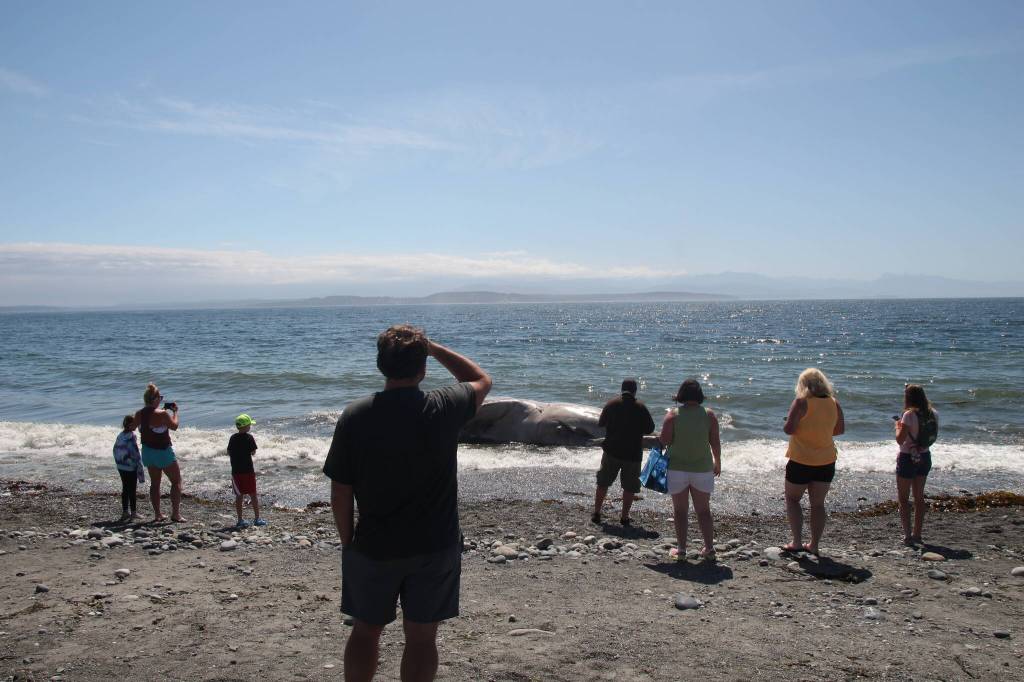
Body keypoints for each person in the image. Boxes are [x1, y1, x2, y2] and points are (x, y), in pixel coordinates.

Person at [323, 325, 491, 682]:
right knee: (421, 638)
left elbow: (341, 489)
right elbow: (480, 379)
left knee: (366, 631)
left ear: (380, 364)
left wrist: (347, 540)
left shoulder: (356, 415)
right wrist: (434, 348)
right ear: (423, 368)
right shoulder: (444, 406)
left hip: (374, 544)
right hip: (435, 544)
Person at [782, 368, 845, 555]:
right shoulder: (834, 403)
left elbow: (789, 429)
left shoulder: (801, 402)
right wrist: (821, 430)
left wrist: (793, 421)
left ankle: (797, 541)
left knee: (793, 499)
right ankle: (815, 544)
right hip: (826, 460)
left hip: (801, 458)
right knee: (817, 504)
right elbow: (839, 430)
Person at [659, 379, 721, 560]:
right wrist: (718, 462)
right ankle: (709, 549)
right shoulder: (709, 415)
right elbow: (715, 442)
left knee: (680, 511)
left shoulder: (673, 415)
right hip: (702, 468)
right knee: (704, 511)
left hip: (677, 468)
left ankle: (681, 550)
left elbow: (665, 441)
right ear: (700, 395)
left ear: (681, 394)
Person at [592, 378, 655, 526]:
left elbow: (601, 423)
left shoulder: (611, 404)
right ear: (635, 390)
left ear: (622, 389)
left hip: (611, 451)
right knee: (629, 487)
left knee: (603, 483)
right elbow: (650, 429)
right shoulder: (641, 407)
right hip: (632, 454)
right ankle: (624, 517)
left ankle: (596, 513)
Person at [131, 383, 185, 523]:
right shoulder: (162, 414)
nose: (160, 400)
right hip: (163, 452)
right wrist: (175, 412)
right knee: (176, 481)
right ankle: (176, 514)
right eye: (159, 397)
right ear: (154, 399)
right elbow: (174, 426)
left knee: (155, 483)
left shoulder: (139, 413)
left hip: (148, 452)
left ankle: (158, 514)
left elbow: (132, 427)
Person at [894, 384, 938, 545]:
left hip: (907, 457)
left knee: (903, 498)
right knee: (919, 496)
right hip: (924, 455)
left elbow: (900, 439)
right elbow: (933, 437)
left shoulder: (908, 415)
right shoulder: (933, 414)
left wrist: (897, 427)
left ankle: (907, 535)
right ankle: (917, 533)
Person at [228, 413, 266, 528]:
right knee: (253, 494)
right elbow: (253, 452)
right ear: (245, 426)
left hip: (236, 472)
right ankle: (257, 518)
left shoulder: (233, 437)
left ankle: (240, 520)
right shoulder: (249, 437)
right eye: (249, 425)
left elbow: (229, 452)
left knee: (239, 496)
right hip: (248, 471)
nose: (250, 427)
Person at [112, 415, 145, 522]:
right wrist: (139, 467)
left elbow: (115, 449)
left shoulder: (120, 435)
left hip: (121, 465)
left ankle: (125, 512)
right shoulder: (131, 436)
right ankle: (133, 513)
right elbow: (135, 453)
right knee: (132, 489)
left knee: (125, 488)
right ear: (130, 425)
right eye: (134, 423)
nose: (136, 425)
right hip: (130, 467)